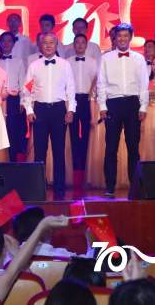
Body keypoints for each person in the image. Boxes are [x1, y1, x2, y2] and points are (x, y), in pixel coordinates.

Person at [97, 23, 148, 198]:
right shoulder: (106, 58)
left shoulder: (139, 58)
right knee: (111, 146)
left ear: (130, 37)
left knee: (133, 146)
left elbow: (143, 84)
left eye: (126, 36)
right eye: (119, 36)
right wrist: (102, 106)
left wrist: (143, 106)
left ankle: (135, 187)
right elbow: (101, 83)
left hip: (133, 103)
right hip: (113, 103)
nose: (122, 39)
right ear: (115, 38)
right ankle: (110, 186)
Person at [23, 33, 75, 199]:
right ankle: (39, 188)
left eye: (51, 42)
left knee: (59, 151)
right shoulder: (34, 66)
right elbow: (27, 90)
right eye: (45, 43)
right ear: (40, 45)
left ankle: (60, 189)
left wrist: (71, 110)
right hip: (40, 110)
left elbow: (70, 89)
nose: (48, 45)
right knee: (40, 151)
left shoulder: (65, 65)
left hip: (59, 110)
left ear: (56, 44)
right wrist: (29, 110)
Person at [67, 34, 97, 198]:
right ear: (73, 45)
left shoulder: (93, 62)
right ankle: (74, 174)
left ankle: (84, 174)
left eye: (82, 42)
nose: (79, 45)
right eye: (77, 42)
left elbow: (97, 83)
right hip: (71, 100)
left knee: (86, 135)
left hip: (87, 100)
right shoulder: (67, 62)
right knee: (72, 136)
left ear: (86, 45)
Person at [0, 32, 28, 162]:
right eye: (3, 41)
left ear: (14, 43)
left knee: (13, 129)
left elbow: (23, 82)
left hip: (14, 99)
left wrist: (23, 101)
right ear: (0, 43)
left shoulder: (19, 61)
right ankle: (0, 157)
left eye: (9, 41)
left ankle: (12, 158)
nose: (6, 43)